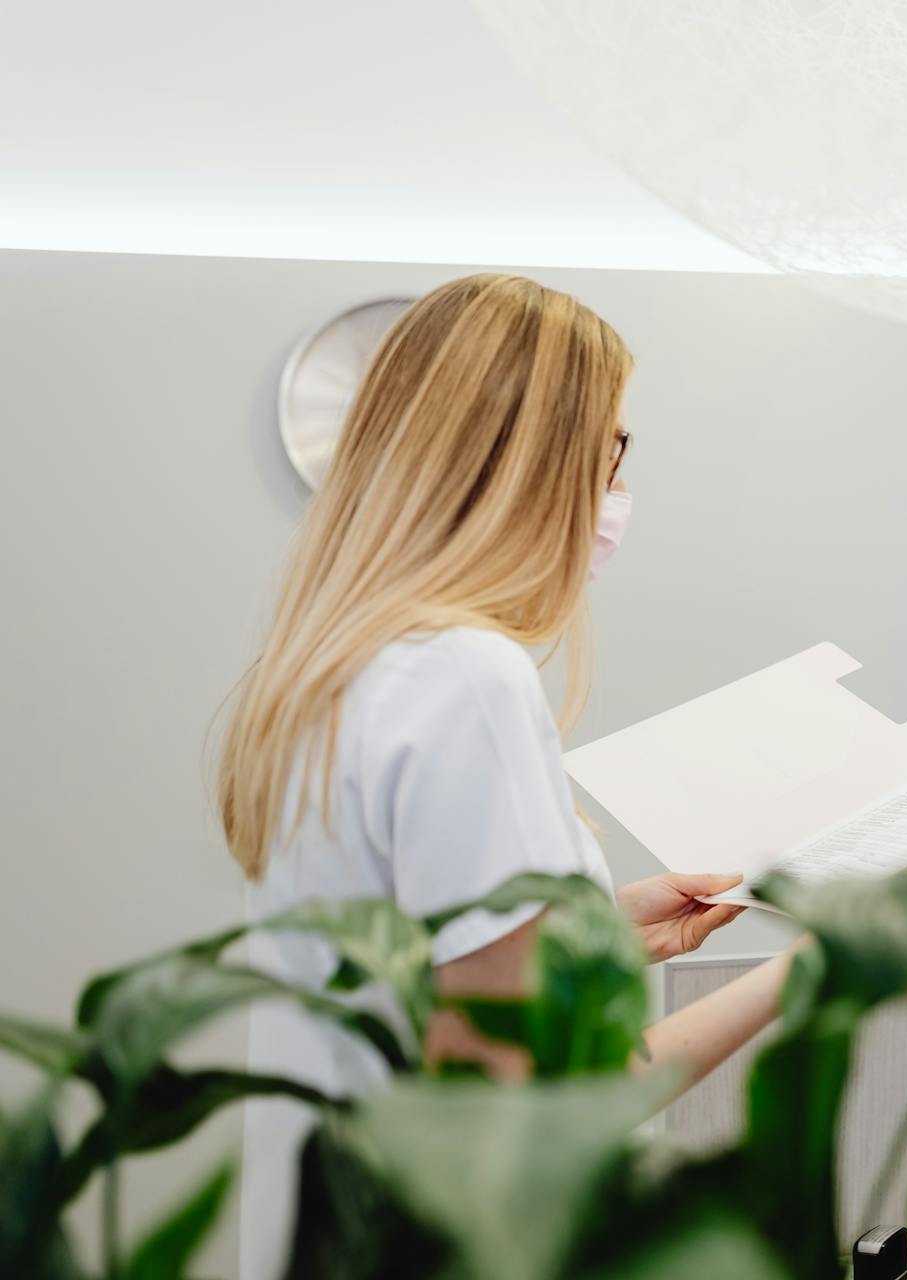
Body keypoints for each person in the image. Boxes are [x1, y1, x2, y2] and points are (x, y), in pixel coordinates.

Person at [216, 274, 792, 1275]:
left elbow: (406, 974)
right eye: (611, 457)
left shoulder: (335, 665)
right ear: (531, 462)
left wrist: (601, 936)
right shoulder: (466, 677)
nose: (613, 496)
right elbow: (552, 1100)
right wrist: (815, 967)